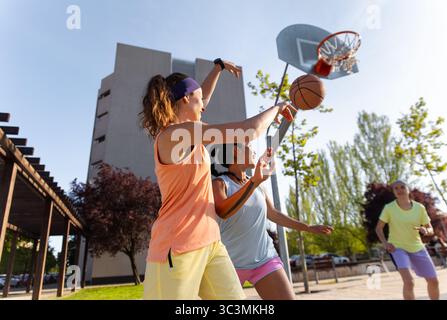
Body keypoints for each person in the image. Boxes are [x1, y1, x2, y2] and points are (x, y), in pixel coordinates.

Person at [140, 58, 296, 300]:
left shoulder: (190, 133)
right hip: (178, 245)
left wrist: (218, 68)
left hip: (210, 243)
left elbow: (203, 97)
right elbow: (249, 131)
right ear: (185, 99)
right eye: (199, 100)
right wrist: (277, 108)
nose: (204, 106)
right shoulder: (175, 134)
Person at [211, 143, 333, 300]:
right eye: (248, 147)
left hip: (264, 259)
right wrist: (254, 182)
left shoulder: (258, 186)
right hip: (230, 264)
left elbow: (274, 214)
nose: (254, 151)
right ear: (236, 151)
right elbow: (223, 211)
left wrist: (307, 227)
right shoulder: (220, 184)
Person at [375, 180, 440, 300]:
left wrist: (426, 231)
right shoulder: (389, 208)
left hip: (417, 247)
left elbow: (430, 229)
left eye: (402, 187)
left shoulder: (419, 208)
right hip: (397, 248)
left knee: (433, 280)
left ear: (408, 189)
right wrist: (385, 243)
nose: (399, 190)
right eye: (396, 188)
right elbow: (378, 228)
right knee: (409, 282)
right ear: (394, 192)